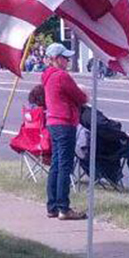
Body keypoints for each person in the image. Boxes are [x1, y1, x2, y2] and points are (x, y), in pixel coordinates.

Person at [41, 42, 87, 220]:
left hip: (52, 122)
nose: (68, 60)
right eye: (65, 58)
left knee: (56, 164)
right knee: (64, 166)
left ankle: (52, 206)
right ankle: (63, 207)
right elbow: (80, 97)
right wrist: (84, 94)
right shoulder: (61, 76)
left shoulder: (47, 76)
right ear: (56, 59)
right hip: (64, 123)